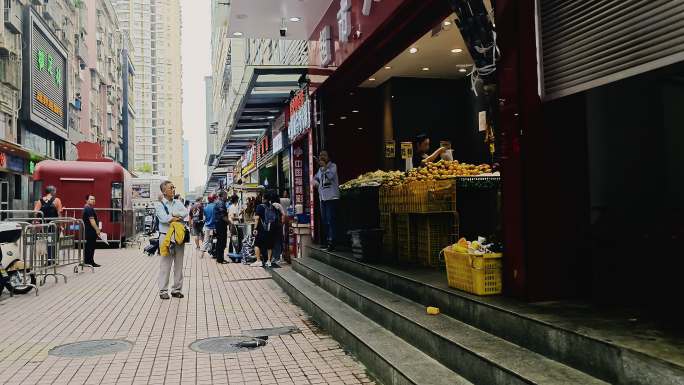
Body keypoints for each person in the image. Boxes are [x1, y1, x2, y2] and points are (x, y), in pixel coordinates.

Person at [156, 181, 189, 299]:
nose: (173, 189)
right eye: (171, 188)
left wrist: (173, 215)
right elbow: (164, 219)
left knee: (179, 264)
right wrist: (175, 217)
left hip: (179, 236)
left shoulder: (178, 202)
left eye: (174, 187)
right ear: (164, 191)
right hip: (166, 237)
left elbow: (185, 213)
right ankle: (163, 291)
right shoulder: (159, 204)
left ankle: (176, 289)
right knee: (165, 264)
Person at [313, 150, 340, 251]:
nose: (321, 157)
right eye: (320, 155)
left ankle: (332, 242)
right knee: (325, 220)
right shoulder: (320, 170)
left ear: (328, 157)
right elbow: (314, 178)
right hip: (323, 198)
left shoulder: (333, 166)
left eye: (324, 155)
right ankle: (327, 240)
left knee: (331, 220)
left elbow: (330, 176)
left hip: (332, 197)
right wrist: (315, 182)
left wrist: (324, 166)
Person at [251, 190, 281, 268]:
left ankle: (258, 261)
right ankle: (268, 261)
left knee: (257, 244)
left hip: (262, 229)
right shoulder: (273, 207)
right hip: (271, 229)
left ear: (263, 198)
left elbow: (257, 218)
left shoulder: (260, 207)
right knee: (269, 246)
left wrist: (255, 228)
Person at [82, 194, 101, 268]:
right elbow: (92, 221)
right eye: (91, 199)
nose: (93, 200)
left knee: (89, 247)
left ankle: (89, 261)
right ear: (87, 200)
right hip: (90, 231)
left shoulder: (87, 208)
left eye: (94, 199)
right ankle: (90, 262)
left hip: (88, 231)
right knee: (90, 247)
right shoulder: (89, 209)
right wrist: (97, 230)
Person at [212, 190, 230, 264]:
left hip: (219, 225)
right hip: (221, 225)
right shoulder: (221, 203)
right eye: (226, 195)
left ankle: (220, 258)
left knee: (220, 242)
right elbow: (223, 216)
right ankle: (220, 259)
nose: (227, 197)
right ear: (222, 195)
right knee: (221, 242)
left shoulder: (218, 202)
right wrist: (230, 222)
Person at [201, 194, 216, 258]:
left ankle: (202, 253)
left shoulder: (205, 207)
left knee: (206, 240)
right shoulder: (215, 206)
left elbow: (204, 218)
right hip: (215, 226)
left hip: (207, 226)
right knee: (215, 239)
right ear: (214, 199)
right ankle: (214, 253)